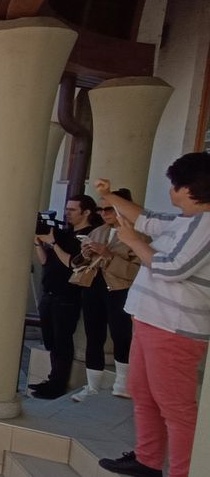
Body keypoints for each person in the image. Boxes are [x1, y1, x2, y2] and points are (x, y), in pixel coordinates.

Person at [96, 154, 210, 477]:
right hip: (150, 321)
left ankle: (183, 471)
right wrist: (109, 195)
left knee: (175, 407)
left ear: (189, 189)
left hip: (174, 329)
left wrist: (131, 240)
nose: (171, 191)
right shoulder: (187, 219)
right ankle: (147, 460)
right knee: (143, 392)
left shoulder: (207, 224)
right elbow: (145, 218)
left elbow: (173, 269)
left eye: (175, 185)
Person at [68, 191, 139, 403]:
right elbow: (79, 263)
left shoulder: (138, 234)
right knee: (93, 335)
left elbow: (136, 271)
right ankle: (92, 385)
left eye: (108, 209)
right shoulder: (98, 231)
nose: (103, 213)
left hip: (119, 289)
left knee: (121, 335)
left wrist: (108, 255)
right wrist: (86, 254)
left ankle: (123, 383)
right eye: (100, 209)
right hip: (93, 287)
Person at [30, 196, 99, 399]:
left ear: (86, 212)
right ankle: (52, 379)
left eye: (72, 210)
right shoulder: (65, 232)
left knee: (62, 342)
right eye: (66, 209)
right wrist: (38, 242)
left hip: (67, 296)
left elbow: (73, 264)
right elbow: (45, 261)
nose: (67, 213)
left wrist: (54, 243)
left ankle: (57, 385)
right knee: (51, 341)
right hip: (49, 293)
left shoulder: (88, 237)